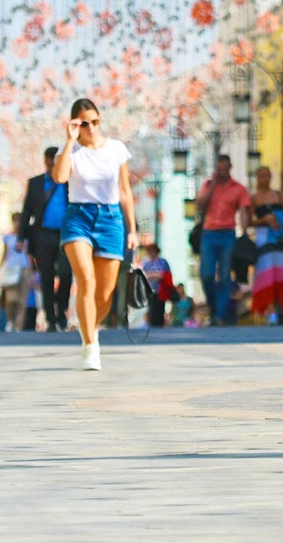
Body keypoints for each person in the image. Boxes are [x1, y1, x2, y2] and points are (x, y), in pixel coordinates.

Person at [54, 98, 136, 370]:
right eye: (84, 123)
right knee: (85, 280)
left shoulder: (116, 149)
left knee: (105, 294)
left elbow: (125, 191)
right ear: (76, 124)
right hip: (78, 218)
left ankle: (91, 327)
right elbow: (60, 177)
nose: (91, 128)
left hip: (112, 219)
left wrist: (132, 229)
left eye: (95, 121)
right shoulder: (70, 152)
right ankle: (90, 345)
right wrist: (69, 140)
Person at [20, 146, 73, 331]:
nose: (52, 166)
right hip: (42, 235)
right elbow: (26, 210)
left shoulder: (70, 182)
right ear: (45, 162)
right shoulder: (35, 183)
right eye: (49, 163)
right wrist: (21, 237)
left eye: (55, 163)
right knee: (47, 277)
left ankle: (62, 309)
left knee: (66, 273)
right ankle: (51, 318)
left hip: (66, 235)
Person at [195, 154, 250, 326]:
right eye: (219, 169)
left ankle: (219, 315)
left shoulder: (238, 188)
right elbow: (199, 205)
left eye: (224, 169)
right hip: (209, 234)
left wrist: (245, 233)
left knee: (225, 276)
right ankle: (212, 306)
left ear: (230, 167)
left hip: (228, 234)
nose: (222, 172)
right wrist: (212, 186)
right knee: (206, 274)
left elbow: (244, 211)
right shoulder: (207, 185)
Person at [248, 166, 283, 324]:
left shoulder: (279, 195)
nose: (264, 179)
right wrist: (264, 220)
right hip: (264, 238)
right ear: (257, 178)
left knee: (281, 272)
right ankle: (269, 309)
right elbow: (249, 221)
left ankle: (282, 309)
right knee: (266, 273)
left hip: (279, 237)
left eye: (267, 176)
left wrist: (277, 218)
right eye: (261, 176)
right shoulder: (254, 198)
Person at [0, 215, 34, 331]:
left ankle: (19, 325)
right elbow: (4, 253)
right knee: (10, 299)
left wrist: (31, 272)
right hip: (10, 269)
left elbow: (29, 255)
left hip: (23, 268)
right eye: (16, 221)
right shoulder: (8, 237)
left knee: (22, 300)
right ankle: (10, 320)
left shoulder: (26, 238)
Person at [139, 243, 175, 328]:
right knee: (151, 308)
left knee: (160, 308)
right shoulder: (145, 262)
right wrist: (154, 275)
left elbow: (165, 274)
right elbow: (143, 275)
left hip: (161, 290)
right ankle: (151, 324)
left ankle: (160, 325)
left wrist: (153, 275)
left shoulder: (162, 262)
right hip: (149, 289)